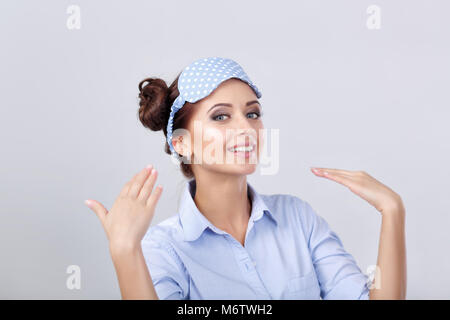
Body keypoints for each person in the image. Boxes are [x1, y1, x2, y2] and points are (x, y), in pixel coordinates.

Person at [85, 57, 407, 300]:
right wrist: (126, 253)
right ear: (181, 142)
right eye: (221, 116)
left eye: (252, 113)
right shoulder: (164, 249)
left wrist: (392, 211)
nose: (246, 128)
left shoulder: (298, 219)